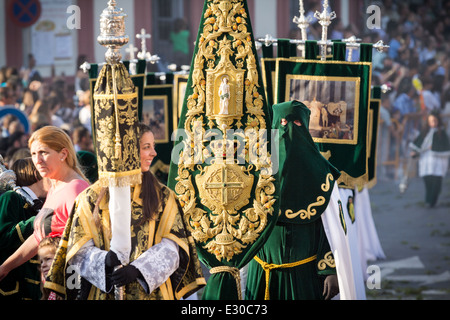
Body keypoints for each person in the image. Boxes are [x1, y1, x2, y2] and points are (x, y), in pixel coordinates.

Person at [44, 123, 205, 300]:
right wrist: (104, 260)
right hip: (105, 293)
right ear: (128, 151)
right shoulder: (89, 198)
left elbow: (173, 247)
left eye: (153, 146)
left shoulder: (164, 196)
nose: (154, 153)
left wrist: (139, 269)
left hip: (154, 294)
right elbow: (78, 251)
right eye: (146, 147)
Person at [245, 101, 341, 300]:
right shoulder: (254, 170)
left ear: (305, 127)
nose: (286, 129)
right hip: (261, 273)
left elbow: (330, 229)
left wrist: (330, 270)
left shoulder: (323, 174)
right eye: (281, 123)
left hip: (303, 277)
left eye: (295, 122)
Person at [0, 126, 89, 284]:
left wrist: (70, 290)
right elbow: (38, 237)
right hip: (52, 283)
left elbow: (83, 248)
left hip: (69, 284)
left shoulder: (75, 188)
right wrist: (5, 267)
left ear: (63, 154)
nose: (37, 160)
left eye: (44, 152)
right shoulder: (56, 188)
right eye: (33, 154)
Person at [0, 157, 50, 300]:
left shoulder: (41, 202)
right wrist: (37, 221)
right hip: (14, 286)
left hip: (34, 288)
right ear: (37, 174)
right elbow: (3, 238)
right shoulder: (11, 198)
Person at [410, 112, 450, 207]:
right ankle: (428, 200)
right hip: (426, 160)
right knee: (427, 180)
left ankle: (432, 201)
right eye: (431, 121)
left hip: (438, 161)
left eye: (435, 121)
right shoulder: (425, 132)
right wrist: (415, 152)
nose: (433, 123)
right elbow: (418, 145)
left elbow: (445, 147)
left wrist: (434, 147)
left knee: (436, 181)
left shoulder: (442, 133)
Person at [37, 236, 62, 300]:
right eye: (41, 262)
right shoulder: (49, 292)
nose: (43, 265)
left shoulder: (71, 290)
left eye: (48, 259)